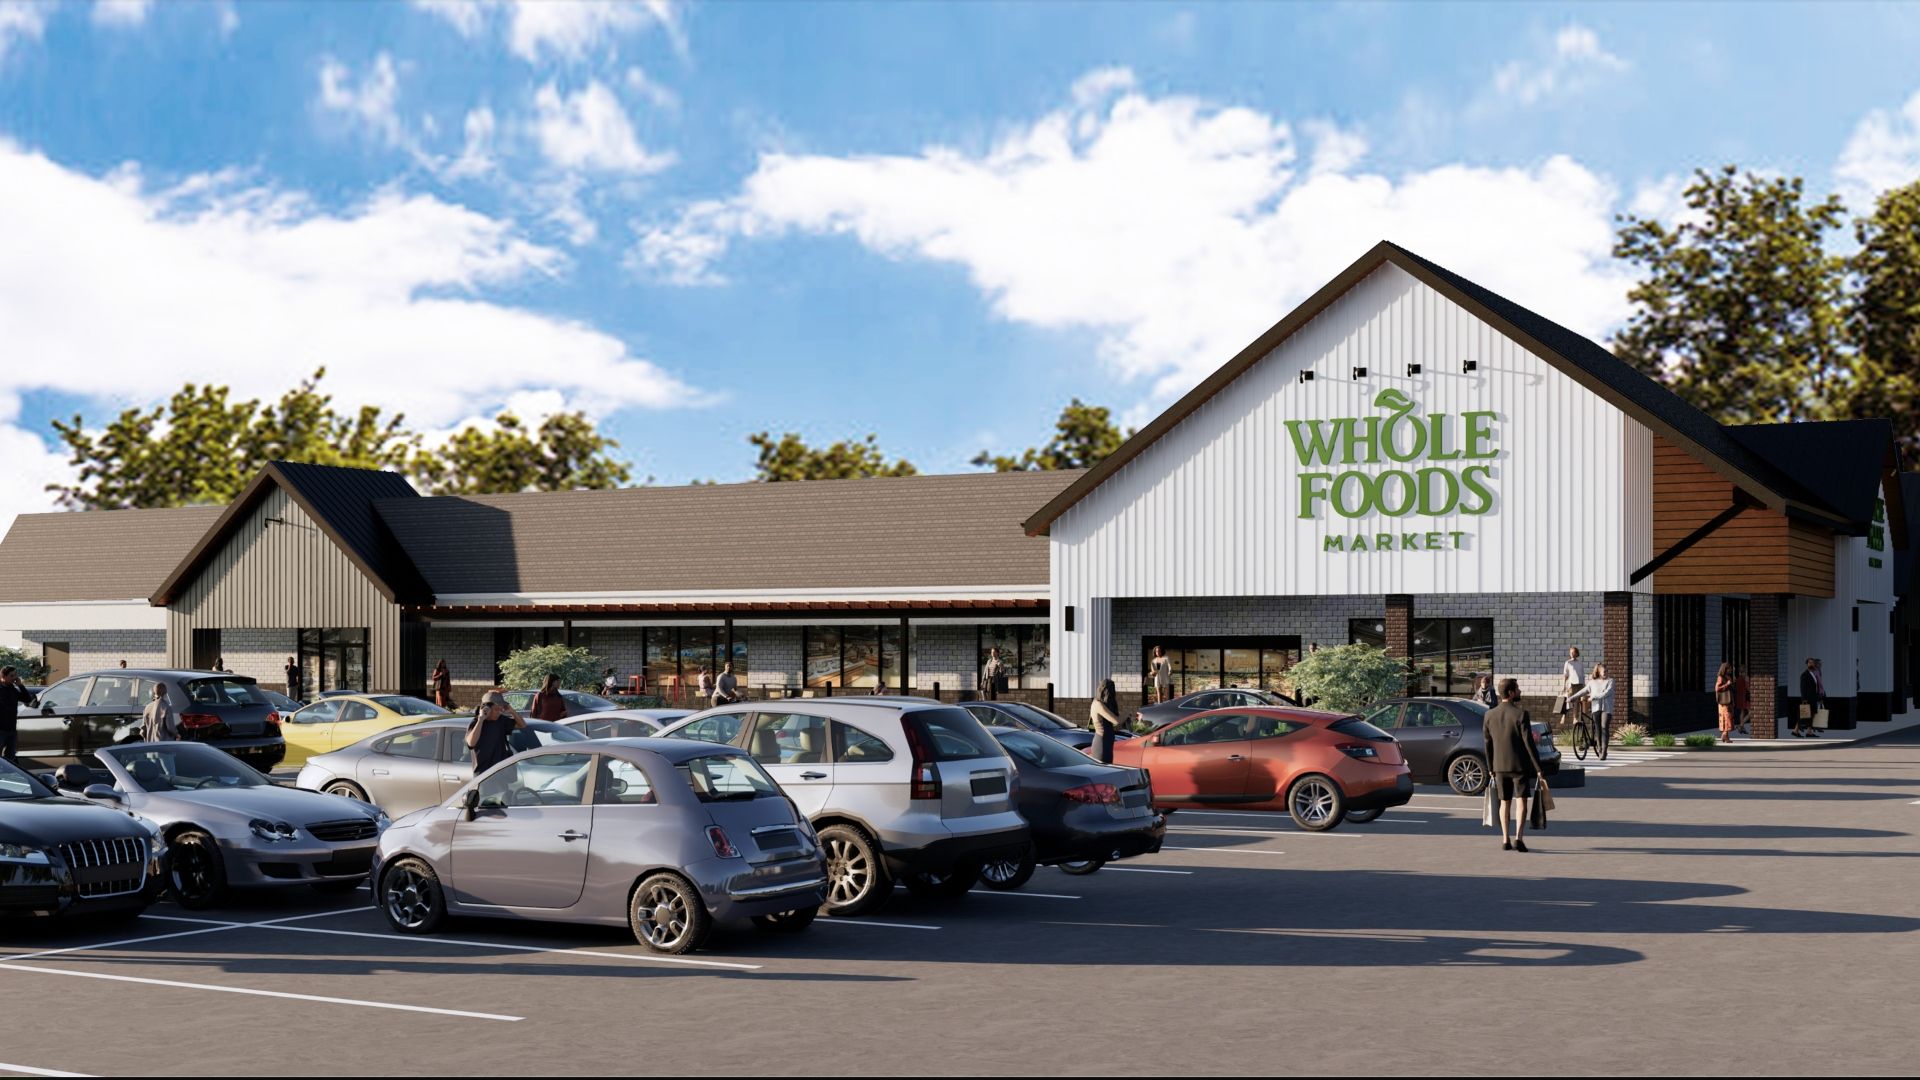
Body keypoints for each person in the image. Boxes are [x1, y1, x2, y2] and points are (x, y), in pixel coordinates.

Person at [1482, 678, 1545, 852]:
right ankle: (1519, 838)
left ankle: (1505, 839)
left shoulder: (1489, 715)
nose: (1520, 692)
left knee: (1504, 802)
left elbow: (1487, 744)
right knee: (1521, 801)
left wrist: (1490, 768)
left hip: (1498, 766)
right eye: (1517, 689)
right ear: (1510, 693)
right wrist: (1539, 768)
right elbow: (1528, 743)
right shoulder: (1521, 714)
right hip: (1519, 766)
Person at [466, 689, 525, 773]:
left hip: (500, 772)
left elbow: (522, 725)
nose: (499, 712)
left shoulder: (501, 720)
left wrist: (512, 711)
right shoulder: (476, 723)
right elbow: (471, 743)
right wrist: (481, 720)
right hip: (484, 775)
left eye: (501, 709)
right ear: (486, 709)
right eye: (497, 709)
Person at [1566, 664, 1614, 746]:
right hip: (1595, 707)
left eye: (1607, 671)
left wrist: (1594, 697)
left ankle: (1603, 750)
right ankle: (1599, 748)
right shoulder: (1592, 682)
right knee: (1598, 728)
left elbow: (1607, 693)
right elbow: (1583, 691)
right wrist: (1572, 698)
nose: (1606, 673)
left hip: (1606, 708)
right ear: (1598, 672)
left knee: (1603, 728)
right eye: (1604, 671)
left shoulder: (1610, 681)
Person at [0, 666, 37, 763]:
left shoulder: (13, 689)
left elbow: (27, 699)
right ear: (3, 676)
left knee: (10, 758)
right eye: (11, 676)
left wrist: (20, 686)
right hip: (1, 729)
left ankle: (7, 777)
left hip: (11, 729)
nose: (14, 678)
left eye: (15, 675)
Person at [1089, 678, 1122, 764]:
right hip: (1101, 744)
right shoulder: (1097, 704)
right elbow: (1116, 721)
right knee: (1102, 770)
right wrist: (1127, 713)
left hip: (1107, 743)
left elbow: (1116, 724)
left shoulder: (1103, 704)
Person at [1797, 658, 1824, 738]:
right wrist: (1804, 699)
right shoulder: (1804, 674)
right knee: (1804, 715)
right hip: (1807, 698)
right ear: (1807, 664)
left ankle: (1809, 732)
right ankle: (1796, 731)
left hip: (1813, 697)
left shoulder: (1813, 673)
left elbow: (1816, 686)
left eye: (1812, 663)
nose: (1811, 664)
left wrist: (1819, 696)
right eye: (1810, 663)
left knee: (1811, 715)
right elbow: (1802, 688)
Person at [1713, 661, 1735, 743]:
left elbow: (1731, 689)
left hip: (1729, 700)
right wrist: (1727, 684)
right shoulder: (1720, 677)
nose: (1731, 670)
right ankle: (1724, 734)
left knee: (1728, 718)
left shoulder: (1728, 677)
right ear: (1725, 669)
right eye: (1730, 668)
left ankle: (1727, 738)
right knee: (1726, 718)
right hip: (1723, 702)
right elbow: (1717, 689)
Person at [1559, 646, 1583, 720]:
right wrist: (1563, 686)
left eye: (1573, 652)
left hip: (1579, 683)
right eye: (1571, 652)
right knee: (1568, 700)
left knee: (1576, 701)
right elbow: (1565, 675)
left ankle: (1575, 718)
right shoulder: (1568, 663)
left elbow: (1582, 674)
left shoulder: (1580, 663)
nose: (1572, 654)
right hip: (1571, 684)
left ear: (1576, 653)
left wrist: (1583, 684)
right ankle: (1564, 715)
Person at [1733, 665, 1752, 737]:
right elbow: (1748, 689)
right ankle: (1740, 725)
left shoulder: (1737, 679)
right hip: (1745, 698)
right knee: (1751, 712)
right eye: (1745, 671)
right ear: (1744, 671)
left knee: (1742, 711)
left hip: (1739, 697)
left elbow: (1735, 688)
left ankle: (1742, 727)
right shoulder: (1745, 678)